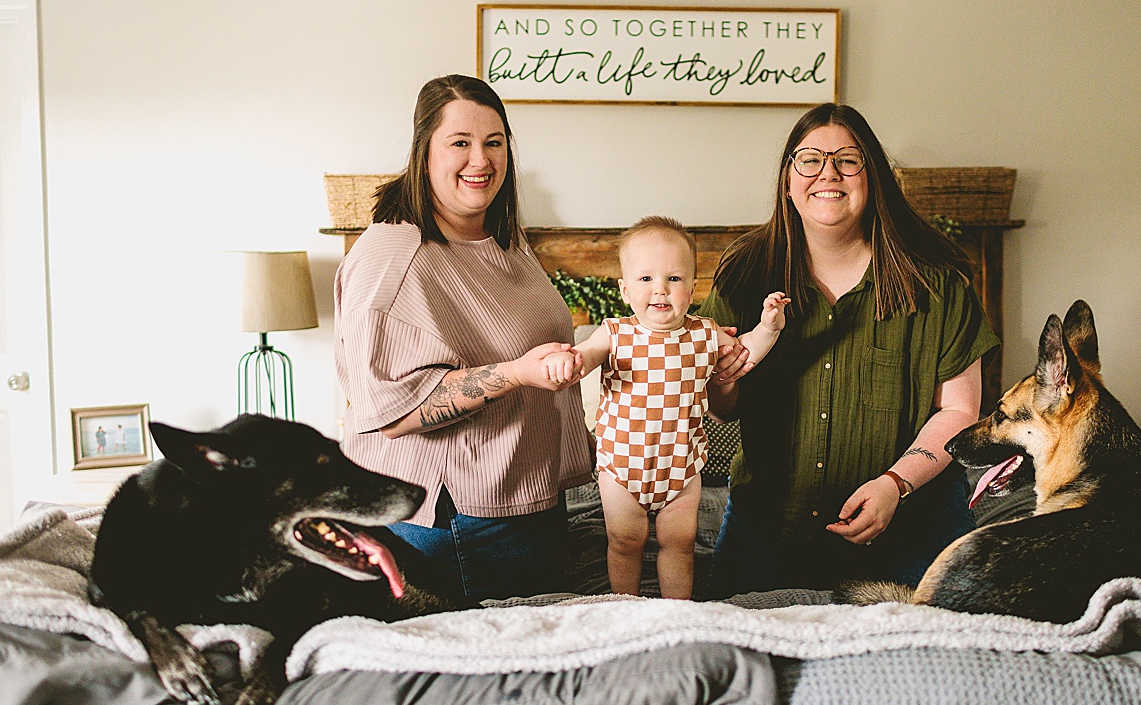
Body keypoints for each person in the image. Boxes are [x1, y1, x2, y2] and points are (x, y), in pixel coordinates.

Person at [700, 102, 1000, 596]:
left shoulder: (940, 285)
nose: (828, 173)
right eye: (810, 159)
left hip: (912, 519)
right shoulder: (743, 273)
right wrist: (722, 383)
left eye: (847, 159)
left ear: (872, 175)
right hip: (771, 525)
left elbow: (962, 411)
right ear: (788, 178)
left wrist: (895, 484)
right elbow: (723, 407)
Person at [333, 74, 592, 602]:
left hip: (526, 500)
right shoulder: (392, 256)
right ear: (423, 151)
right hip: (460, 523)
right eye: (460, 143)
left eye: (494, 143)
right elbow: (392, 412)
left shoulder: (502, 241)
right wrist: (517, 373)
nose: (481, 160)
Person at [542, 217, 788, 599]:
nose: (660, 289)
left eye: (674, 279)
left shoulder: (706, 333)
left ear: (692, 288)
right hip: (623, 465)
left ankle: (678, 612)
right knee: (624, 541)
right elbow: (586, 355)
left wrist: (769, 327)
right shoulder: (615, 332)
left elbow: (746, 351)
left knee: (680, 544)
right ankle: (626, 606)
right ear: (624, 289)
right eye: (645, 280)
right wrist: (570, 361)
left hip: (680, 467)